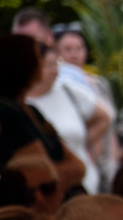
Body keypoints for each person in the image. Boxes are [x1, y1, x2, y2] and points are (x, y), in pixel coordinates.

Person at [0, 35, 88, 195]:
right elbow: (40, 174)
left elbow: (78, 166)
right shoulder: (7, 113)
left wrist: (56, 173)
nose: (42, 62)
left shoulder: (30, 110)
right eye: (38, 56)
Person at [27, 45, 110, 194]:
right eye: (48, 65)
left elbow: (104, 117)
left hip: (86, 184)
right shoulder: (22, 102)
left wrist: (87, 143)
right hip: (48, 189)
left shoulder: (68, 90)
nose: (54, 70)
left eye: (57, 63)